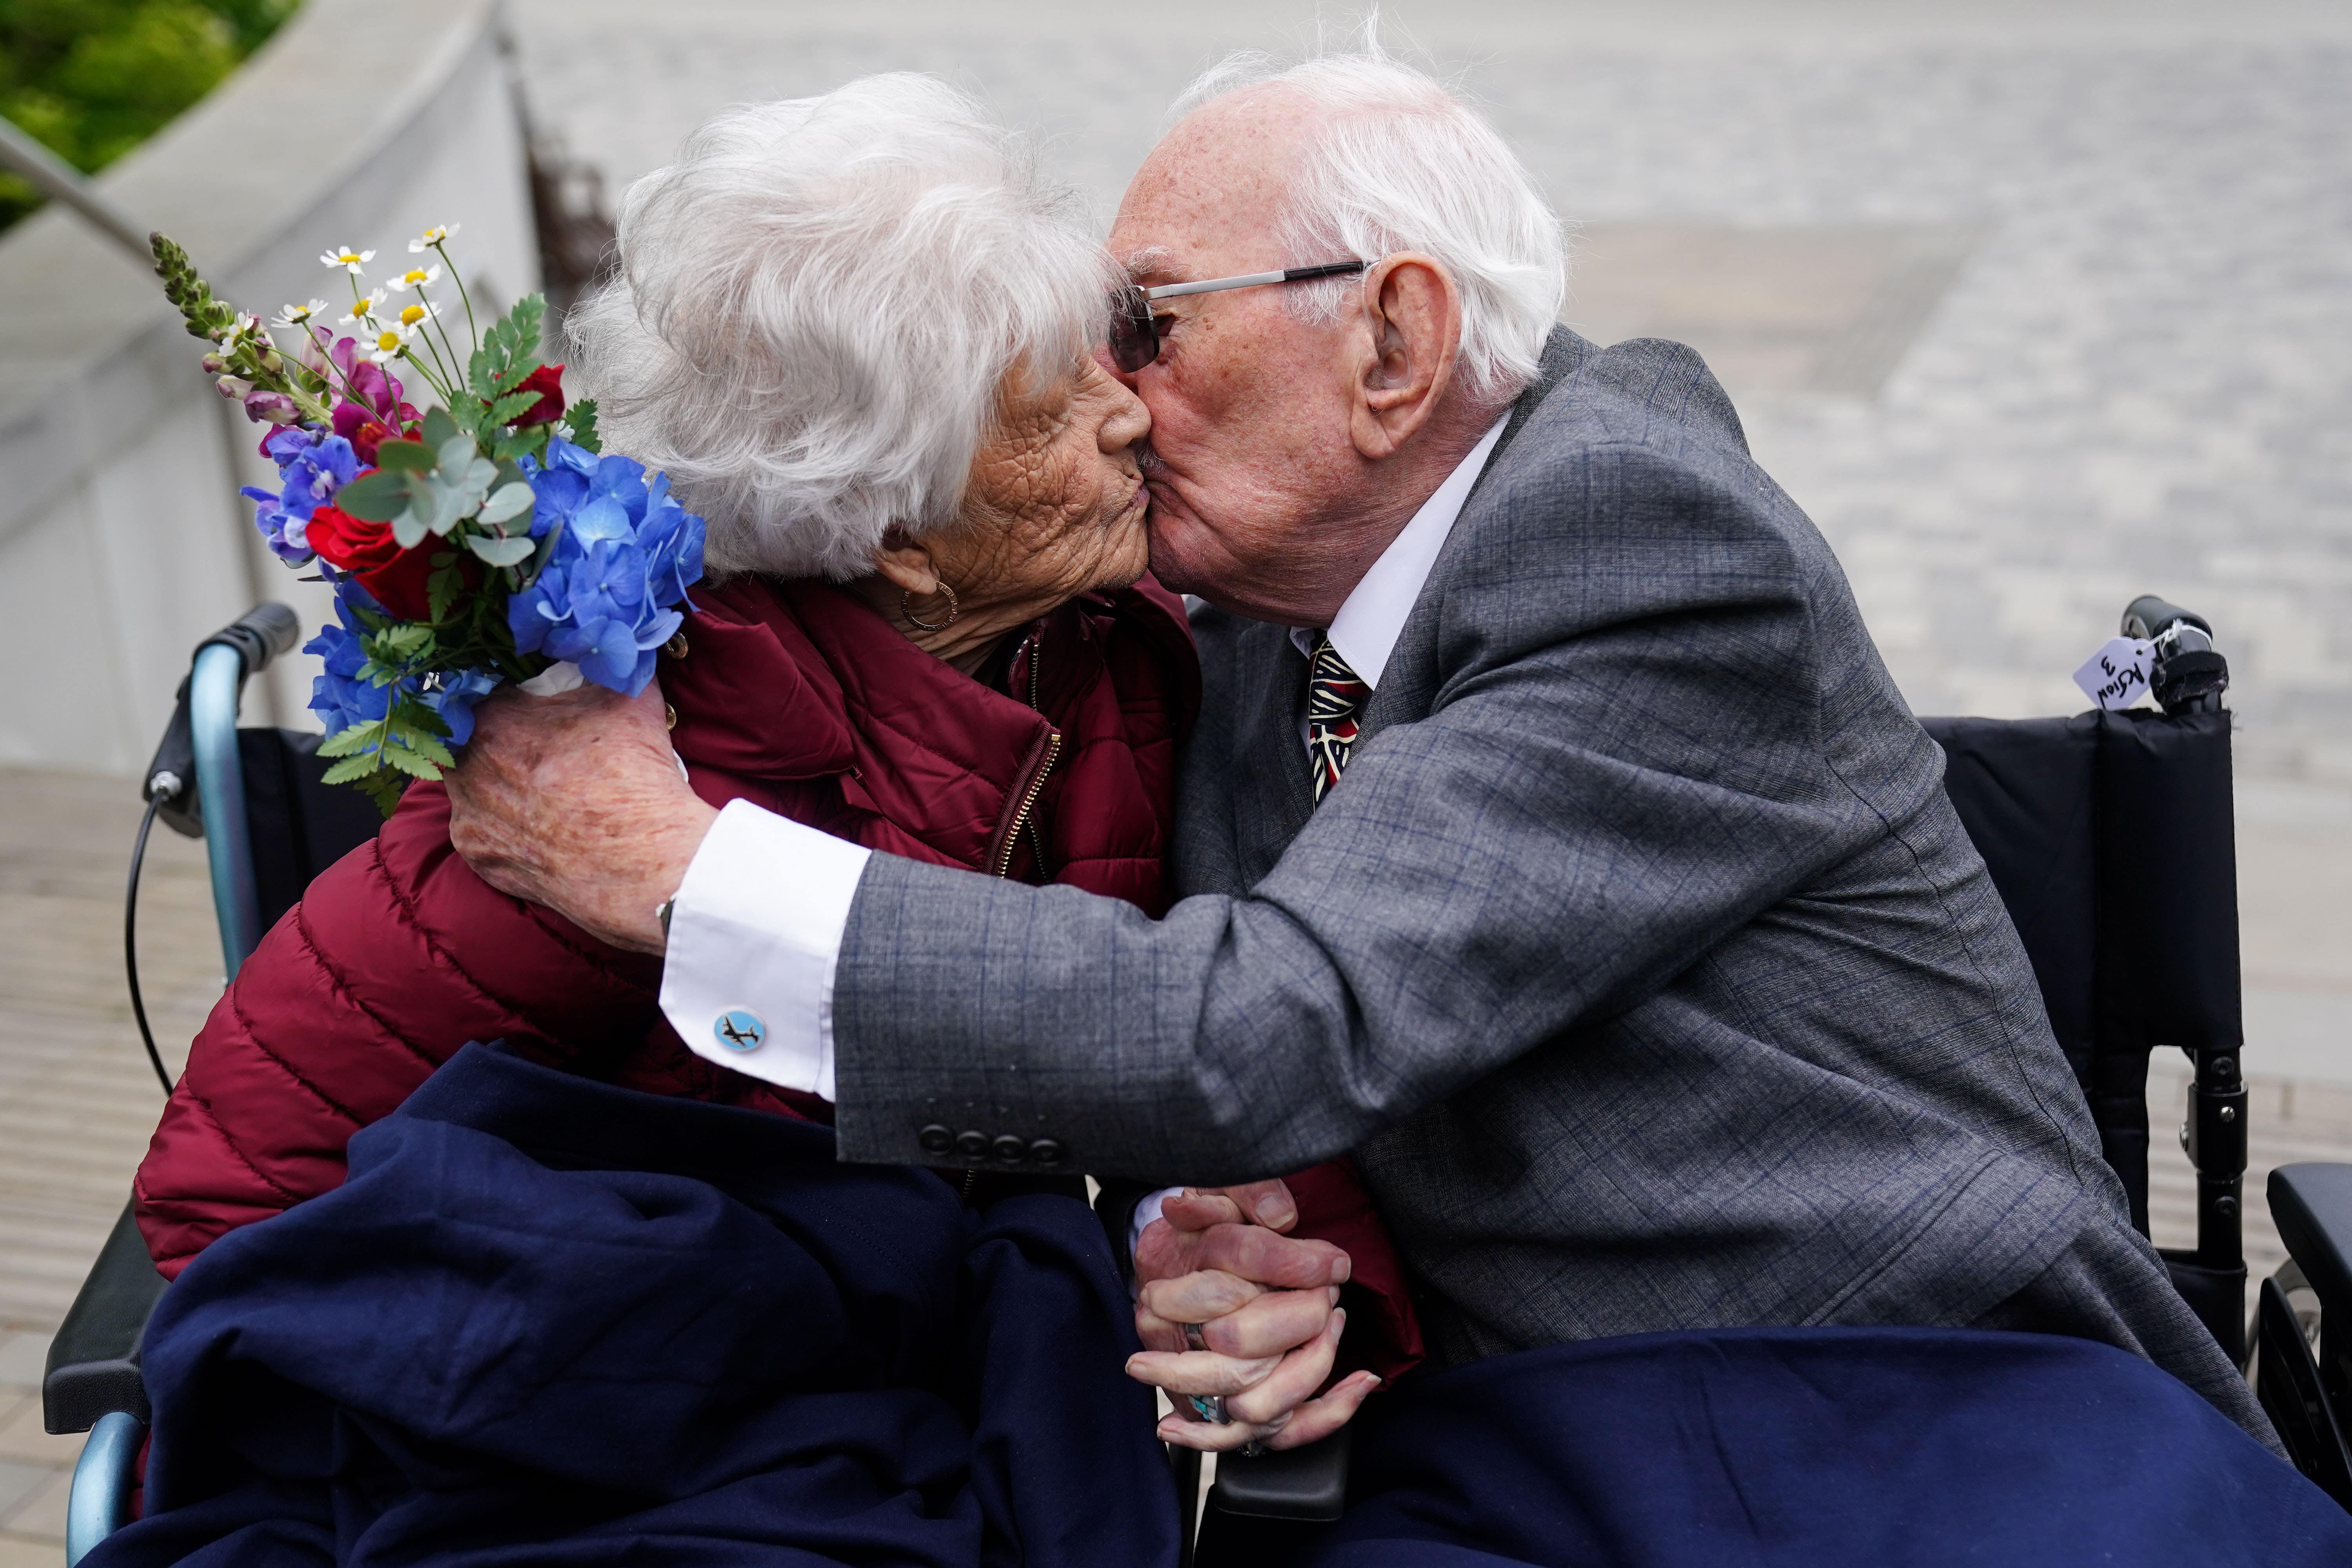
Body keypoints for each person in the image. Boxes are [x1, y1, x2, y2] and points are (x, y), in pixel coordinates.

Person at [443, 36, 2281, 1480]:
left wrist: (682, 872)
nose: (1102, 391)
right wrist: (1239, 1250)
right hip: (1549, 1429)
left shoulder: (1645, 544)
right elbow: (1265, 1035)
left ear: (1392, 341)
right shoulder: (1258, 597)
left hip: (1916, 1399)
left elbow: (1268, 1023)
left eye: (1145, 323)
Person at [131, 72, 1404, 1472]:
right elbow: (233, 1193)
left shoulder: (1121, 660)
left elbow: (1226, 1008)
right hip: (619, 1424)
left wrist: (1286, 1259)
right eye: (1046, 412)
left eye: (1104, 352)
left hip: (929, 1374)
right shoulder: (615, 788)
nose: (1128, 418)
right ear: (899, 537)